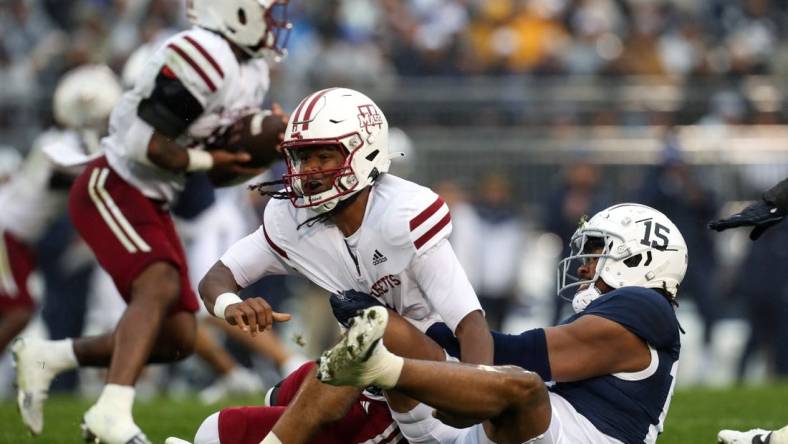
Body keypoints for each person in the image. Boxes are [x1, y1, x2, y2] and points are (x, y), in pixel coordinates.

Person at [12, 1, 291, 443]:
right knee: (157, 281)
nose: (277, 21)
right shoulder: (205, 54)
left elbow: (218, 172)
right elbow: (145, 143)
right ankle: (111, 413)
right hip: (113, 183)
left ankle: (49, 358)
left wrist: (263, 147)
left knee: (178, 338)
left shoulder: (251, 71)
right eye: (269, 10)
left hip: (152, 198)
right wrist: (207, 158)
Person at [195, 87, 492, 444]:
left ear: (364, 151)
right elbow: (215, 279)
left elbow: (471, 325)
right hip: (363, 378)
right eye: (303, 159)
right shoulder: (291, 218)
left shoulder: (402, 215)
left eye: (323, 157)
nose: (310, 171)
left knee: (374, 330)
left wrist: (476, 405)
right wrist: (234, 305)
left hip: (426, 385)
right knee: (214, 431)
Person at [318, 203, 688, 444]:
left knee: (521, 385)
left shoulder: (645, 306)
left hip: (569, 435)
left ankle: (381, 371)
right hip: (493, 435)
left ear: (640, 259)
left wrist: (438, 326)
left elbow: (521, 355)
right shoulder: (632, 313)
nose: (583, 266)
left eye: (597, 251)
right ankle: (293, 398)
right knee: (386, 326)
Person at [0, 65, 122, 355]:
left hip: (19, 239)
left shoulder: (63, 141)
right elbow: (90, 177)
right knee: (19, 312)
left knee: (20, 311)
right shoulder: (57, 146)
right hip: (7, 235)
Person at [709, 178, 788, 444]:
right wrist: (776, 200)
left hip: (775, 296)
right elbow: (746, 268)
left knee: (778, 344)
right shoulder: (765, 237)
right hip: (761, 298)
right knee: (756, 342)